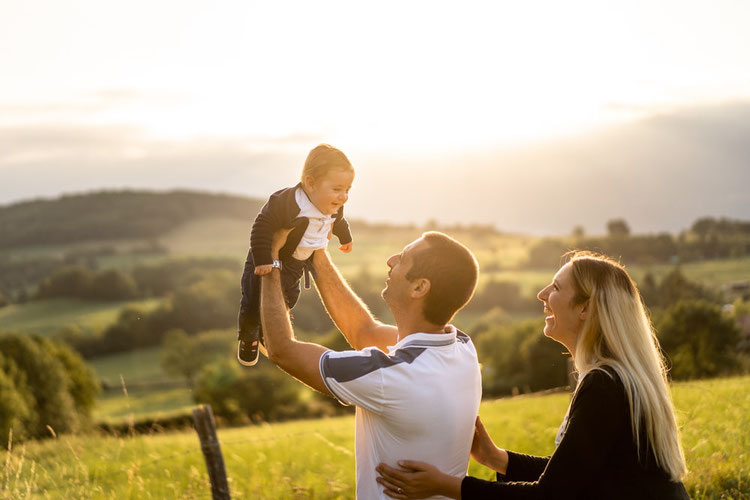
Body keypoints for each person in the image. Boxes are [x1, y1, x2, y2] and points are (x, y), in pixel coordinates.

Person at [376, 251, 690, 499]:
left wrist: (447, 486)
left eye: (556, 288)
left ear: (584, 308)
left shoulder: (604, 385)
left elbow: (550, 495)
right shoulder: (612, 377)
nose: (541, 294)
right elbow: (575, 473)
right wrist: (495, 457)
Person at [260, 230, 482, 499]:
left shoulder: (394, 375)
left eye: (403, 258)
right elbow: (365, 333)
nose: (390, 260)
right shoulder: (461, 346)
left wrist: (269, 257)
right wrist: (316, 252)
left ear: (419, 287)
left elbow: (283, 350)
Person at [236, 144, 354, 366]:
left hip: (297, 265)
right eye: (338, 189)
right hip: (266, 259)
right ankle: (248, 335)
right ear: (310, 183)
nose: (344, 197)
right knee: (253, 300)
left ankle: (269, 329)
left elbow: (338, 221)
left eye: (348, 189)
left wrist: (345, 237)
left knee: (288, 298)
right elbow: (261, 226)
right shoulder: (289, 202)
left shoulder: (332, 205)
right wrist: (263, 259)